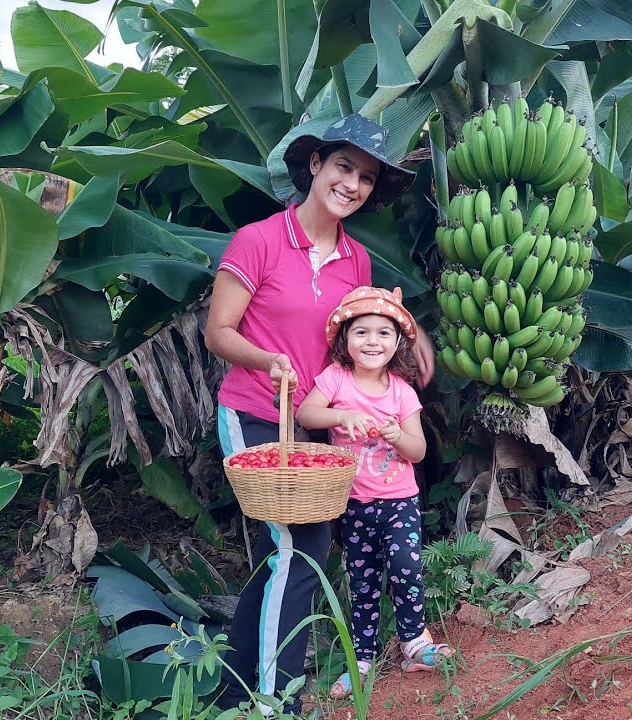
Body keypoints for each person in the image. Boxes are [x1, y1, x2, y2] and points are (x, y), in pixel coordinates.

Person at [203, 114, 433, 715]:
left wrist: (409, 347)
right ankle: (278, 697)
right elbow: (218, 332)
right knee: (301, 549)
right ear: (314, 165)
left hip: (315, 422)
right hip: (254, 411)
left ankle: (236, 690)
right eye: (342, 166)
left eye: (365, 177)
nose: (352, 184)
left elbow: (360, 337)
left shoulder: (356, 262)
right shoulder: (258, 240)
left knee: (283, 554)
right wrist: (268, 359)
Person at [295, 286, 454, 699]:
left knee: (405, 566)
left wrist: (398, 435)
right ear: (345, 340)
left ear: (399, 341)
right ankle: (361, 657)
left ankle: (414, 641)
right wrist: (341, 414)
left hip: (399, 500)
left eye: (384, 333)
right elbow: (305, 412)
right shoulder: (336, 379)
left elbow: (417, 451)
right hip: (352, 504)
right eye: (361, 332)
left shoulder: (402, 390)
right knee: (362, 582)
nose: (372, 341)